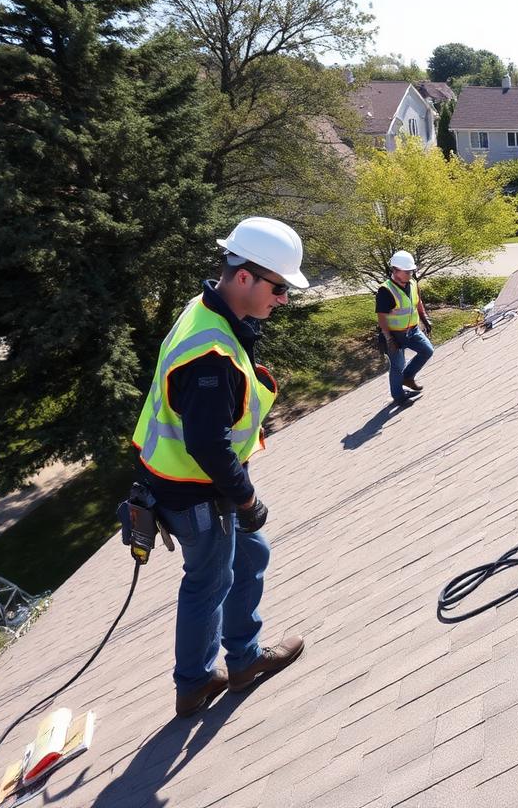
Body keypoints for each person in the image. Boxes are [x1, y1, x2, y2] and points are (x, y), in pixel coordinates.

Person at [132, 217, 309, 716]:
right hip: (196, 493)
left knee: (249, 557)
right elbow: (208, 446)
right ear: (245, 277)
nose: (284, 299)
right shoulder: (210, 354)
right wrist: (247, 500)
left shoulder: (207, 309)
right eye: (279, 287)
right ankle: (194, 684)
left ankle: (244, 657)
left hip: (192, 486)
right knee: (208, 582)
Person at [376, 250, 434, 404]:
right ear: (395, 270)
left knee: (427, 350)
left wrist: (425, 319)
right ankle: (399, 397)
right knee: (397, 366)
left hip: (412, 330)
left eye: (411, 271)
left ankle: (407, 378)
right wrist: (389, 339)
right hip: (395, 334)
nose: (410, 274)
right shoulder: (385, 290)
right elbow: (381, 317)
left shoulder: (413, 283)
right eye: (407, 271)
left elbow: (418, 302)